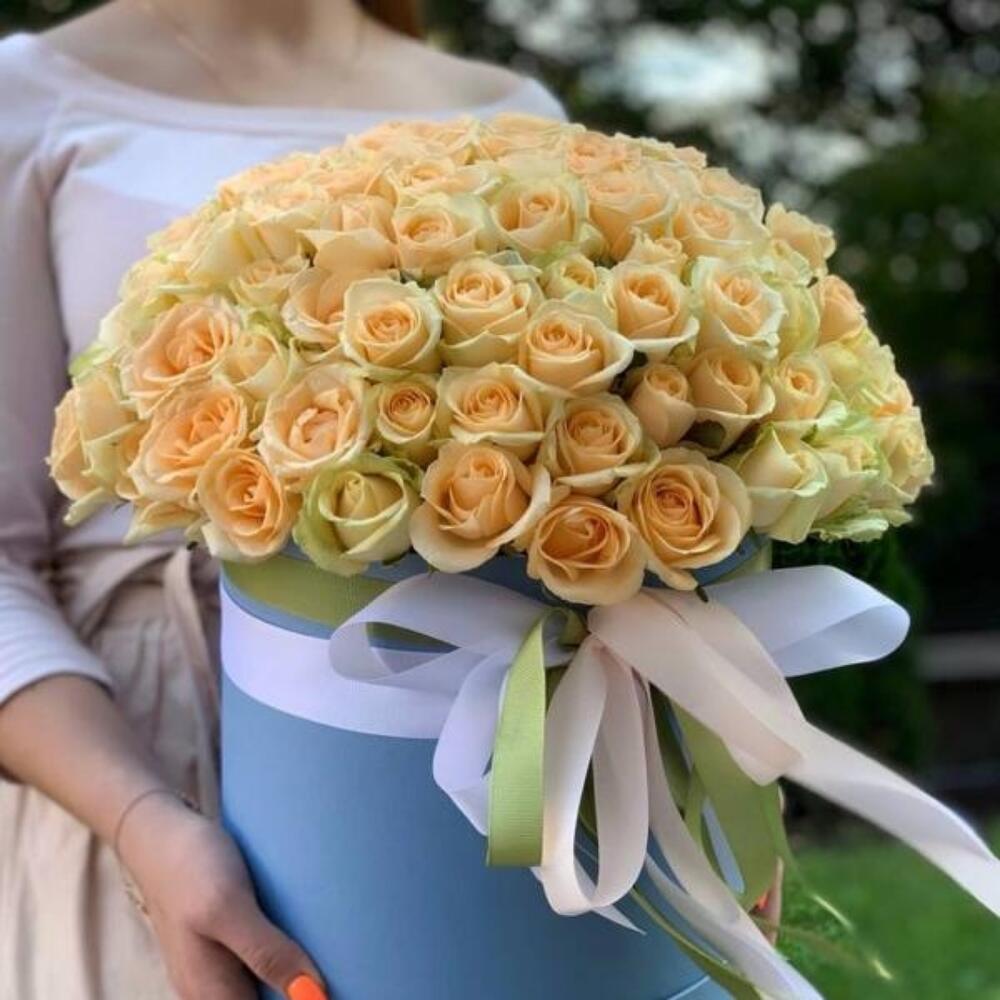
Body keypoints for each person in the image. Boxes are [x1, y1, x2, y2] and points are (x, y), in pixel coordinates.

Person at [0, 3, 566, 998]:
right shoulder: (29, 96)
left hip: (482, 758)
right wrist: (143, 822)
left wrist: (693, 769)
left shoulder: (515, 113)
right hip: (140, 777)